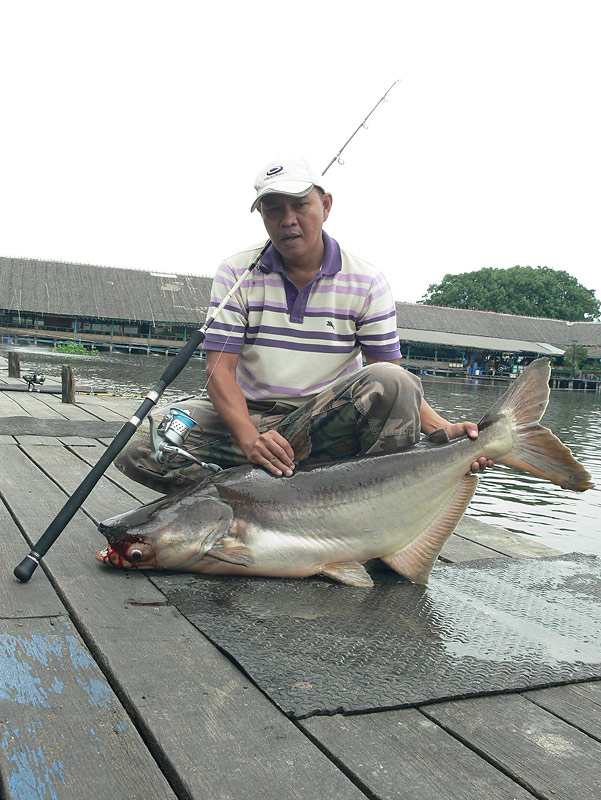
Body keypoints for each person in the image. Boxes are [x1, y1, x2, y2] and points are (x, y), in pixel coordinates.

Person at [116, 155, 491, 494]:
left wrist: (443, 431)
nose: (287, 220)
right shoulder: (235, 271)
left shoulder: (366, 281)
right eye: (273, 209)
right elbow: (219, 372)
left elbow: (392, 384)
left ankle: (326, 496)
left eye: (300, 205)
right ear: (261, 215)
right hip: (251, 416)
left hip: (324, 422)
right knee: (143, 447)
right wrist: (249, 438)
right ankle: (286, 492)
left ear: (325, 206)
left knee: (395, 381)